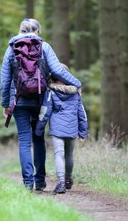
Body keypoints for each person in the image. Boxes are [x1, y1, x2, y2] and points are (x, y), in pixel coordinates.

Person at [0, 18, 82, 191]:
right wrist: (77, 84)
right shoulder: (44, 47)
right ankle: (40, 181)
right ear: (37, 30)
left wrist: (6, 104)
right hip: (41, 100)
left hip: (19, 100)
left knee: (24, 141)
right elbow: (58, 70)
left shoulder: (11, 49)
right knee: (38, 139)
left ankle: (28, 183)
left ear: (20, 30)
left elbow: (5, 80)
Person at [35, 65, 88, 194]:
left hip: (57, 128)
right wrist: (83, 131)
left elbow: (45, 111)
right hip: (72, 127)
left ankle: (61, 183)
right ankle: (69, 179)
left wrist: (39, 129)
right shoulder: (75, 92)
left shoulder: (51, 91)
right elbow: (82, 113)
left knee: (59, 154)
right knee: (69, 155)